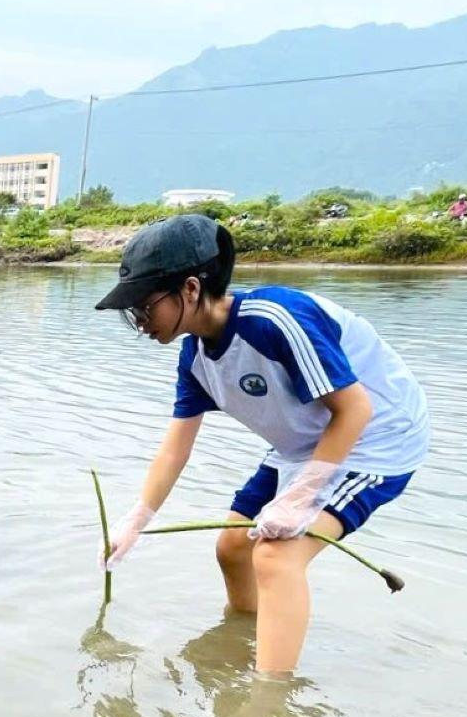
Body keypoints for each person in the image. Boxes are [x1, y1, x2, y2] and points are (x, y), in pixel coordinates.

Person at [94, 214, 430, 674]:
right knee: (232, 546)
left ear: (190, 289)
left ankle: (269, 699)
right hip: (305, 441)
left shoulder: (275, 319)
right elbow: (176, 447)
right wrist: (133, 523)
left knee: (276, 556)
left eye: (145, 306)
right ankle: (242, 643)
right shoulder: (195, 357)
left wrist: (300, 498)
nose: (140, 321)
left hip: (376, 440)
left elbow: (354, 411)